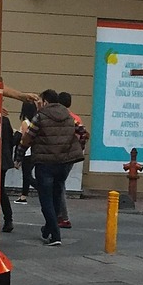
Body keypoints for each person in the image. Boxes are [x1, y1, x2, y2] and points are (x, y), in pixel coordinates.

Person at [20, 89, 87, 246]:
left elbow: (28, 136)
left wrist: (19, 155)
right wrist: (78, 147)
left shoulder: (40, 116)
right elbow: (83, 133)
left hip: (45, 162)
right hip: (63, 162)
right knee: (57, 195)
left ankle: (55, 235)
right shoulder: (69, 116)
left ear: (45, 102)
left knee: (46, 199)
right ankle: (48, 229)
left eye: (40, 101)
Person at [55, 91, 84, 229]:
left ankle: (62, 216)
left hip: (60, 154)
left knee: (59, 185)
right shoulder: (76, 118)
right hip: (72, 155)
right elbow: (82, 135)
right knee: (60, 184)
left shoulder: (59, 117)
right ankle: (60, 215)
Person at [15, 100, 37, 204]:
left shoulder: (25, 123)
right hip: (34, 151)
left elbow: (24, 139)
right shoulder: (35, 122)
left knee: (27, 175)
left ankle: (40, 188)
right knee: (28, 174)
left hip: (27, 152)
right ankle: (23, 195)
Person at [0, 109, 16, 233]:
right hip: (3, 159)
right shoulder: (5, 121)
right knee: (1, 190)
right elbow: (10, 141)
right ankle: (8, 219)